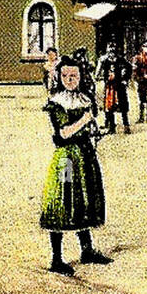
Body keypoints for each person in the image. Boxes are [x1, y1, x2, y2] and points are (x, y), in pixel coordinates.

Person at [40, 56, 110, 275]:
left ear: (81, 77)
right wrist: (85, 120)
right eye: (65, 76)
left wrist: (93, 130)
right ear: (59, 77)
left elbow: (90, 127)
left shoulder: (85, 98)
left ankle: (87, 250)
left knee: (85, 197)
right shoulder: (57, 102)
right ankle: (57, 258)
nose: (70, 80)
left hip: (85, 156)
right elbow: (63, 133)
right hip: (67, 159)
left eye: (74, 76)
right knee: (63, 199)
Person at [95, 43, 132, 134]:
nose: (111, 52)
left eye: (113, 49)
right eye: (109, 49)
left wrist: (125, 78)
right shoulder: (104, 60)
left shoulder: (121, 60)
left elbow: (129, 67)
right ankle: (112, 127)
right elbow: (98, 72)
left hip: (119, 85)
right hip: (110, 86)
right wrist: (99, 76)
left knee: (123, 106)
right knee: (109, 107)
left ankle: (126, 126)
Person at [132, 41, 147, 123]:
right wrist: (141, 76)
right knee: (142, 99)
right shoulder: (137, 58)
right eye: (146, 47)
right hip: (141, 81)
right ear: (142, 47)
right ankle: (141, 117)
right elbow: (134, 70)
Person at [73, 46, 98, 116]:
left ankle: (93, 111)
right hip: (80, 82)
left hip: (87, 81)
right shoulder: (76, 62)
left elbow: (89, 69)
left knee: (90, 97)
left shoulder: (85, 62)